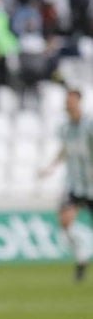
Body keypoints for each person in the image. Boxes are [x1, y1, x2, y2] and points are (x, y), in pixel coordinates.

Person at [38, 88, 93, 282]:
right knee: (65, 222)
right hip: (74, 185)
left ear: (79, 102)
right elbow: (65, 150)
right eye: (67, 100)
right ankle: (82, 258)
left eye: (71, 100)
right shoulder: (64, 128)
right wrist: (51, 167)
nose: (68, 104)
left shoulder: (89, 126)